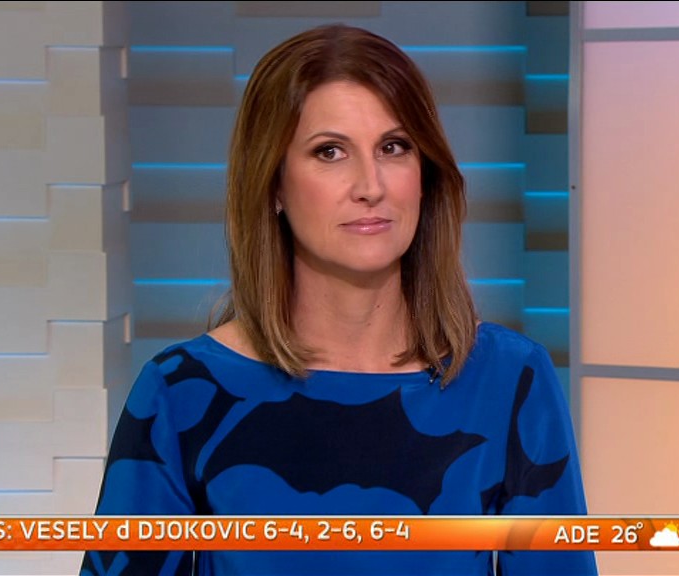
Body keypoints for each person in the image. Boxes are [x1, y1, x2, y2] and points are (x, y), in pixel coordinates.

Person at [81, 24, 596, 576]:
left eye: (394, 147)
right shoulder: (180, 393)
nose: (370, 185)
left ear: (425, 174)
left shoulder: (509, 379)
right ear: (273, 185)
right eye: (330, 152)